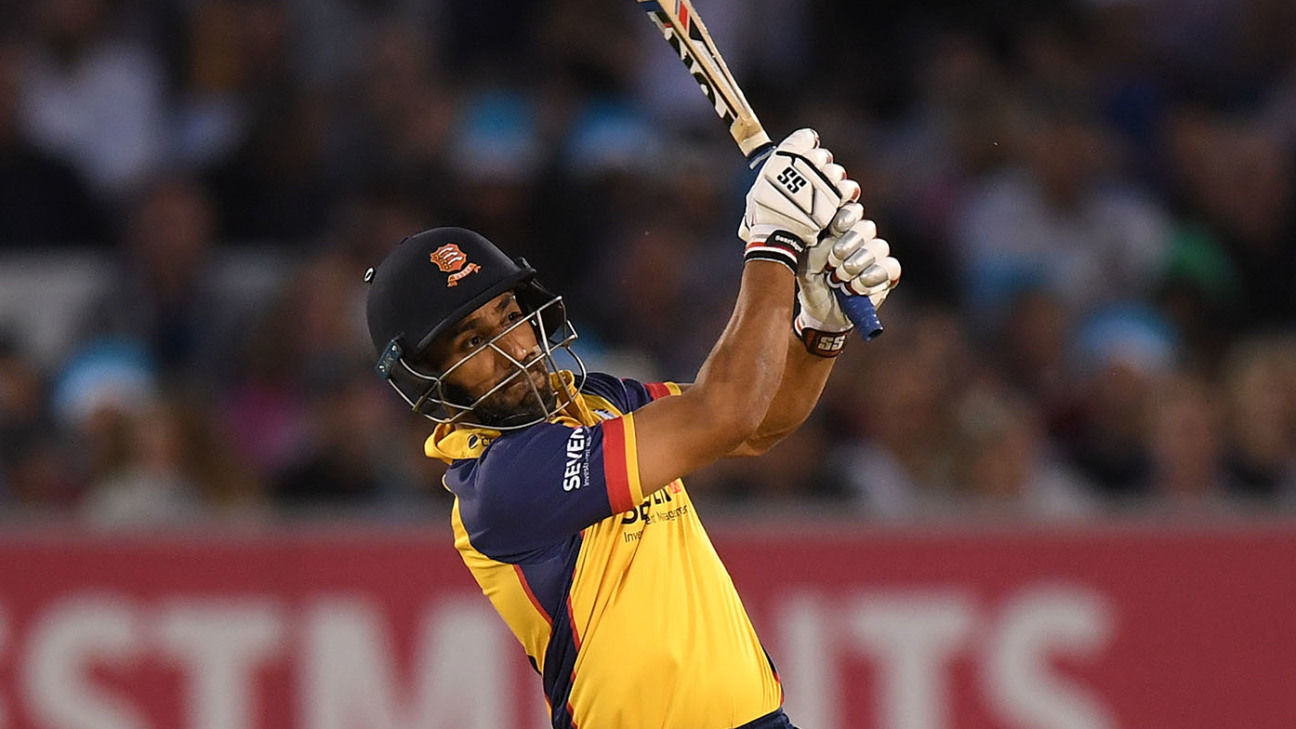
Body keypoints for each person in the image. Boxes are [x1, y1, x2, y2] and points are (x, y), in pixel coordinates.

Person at [363, 129, 901, 729]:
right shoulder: (502, 486)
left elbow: (757, 424)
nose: (514, 347)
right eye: (472, 343)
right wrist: (774, 244)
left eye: (511, 315)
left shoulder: (597, 399)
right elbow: (725, 412)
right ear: (429, 379)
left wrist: (821, 323)